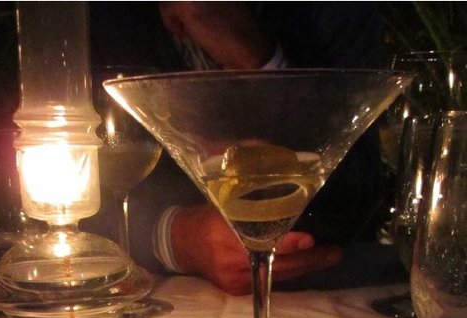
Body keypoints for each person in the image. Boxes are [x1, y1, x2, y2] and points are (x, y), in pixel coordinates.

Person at [89, 2, 384, 295]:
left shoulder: (338, 11)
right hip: (174, 291)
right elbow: (76, 202)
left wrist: (261, 61)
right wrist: (175, 237)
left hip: (329, 289)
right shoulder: (100, 16)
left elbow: (357, 185)